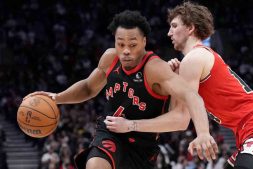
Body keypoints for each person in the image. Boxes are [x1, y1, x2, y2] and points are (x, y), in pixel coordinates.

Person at [25, 10, 218, 169]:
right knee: (95, 166)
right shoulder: (110, 58)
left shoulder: (155, 69)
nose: (126, 50)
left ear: (143, 42)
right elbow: (88, 87)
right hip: (110, 133)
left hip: (143, 145)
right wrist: (57, 97)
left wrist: (203, 133)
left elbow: (191, 99)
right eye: (121, 44)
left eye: (132, 45)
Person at [106, 2, 253, 169]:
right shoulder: (193, 61)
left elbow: (181, 119)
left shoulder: (194, 58)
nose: (169, 33)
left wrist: (130, 125)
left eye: (174, 26)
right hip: (247, 131)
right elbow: (175, 117)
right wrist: (170, 84)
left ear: (191, 28)